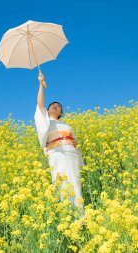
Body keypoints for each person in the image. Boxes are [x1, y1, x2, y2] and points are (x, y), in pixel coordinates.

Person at [34, 72, 85, 219]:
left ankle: (79, 218)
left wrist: (76, 144)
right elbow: (40, 104)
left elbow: (75, 141)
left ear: (61, 112)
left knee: (75, 184)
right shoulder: (45, 122)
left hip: (71, 155)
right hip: (57, 155)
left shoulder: (67, 125)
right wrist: (41, 84)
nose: (55, 106)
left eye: (58, 106)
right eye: (52, 105)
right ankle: (67, 218)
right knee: (62, 184)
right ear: (48, 110)